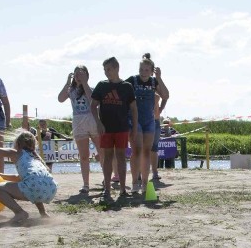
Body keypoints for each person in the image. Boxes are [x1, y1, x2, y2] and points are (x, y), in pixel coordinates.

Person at [0, 131, 57, 224]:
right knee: (34, 183)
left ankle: (20, 212)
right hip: (51, 189)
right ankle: (43, 213)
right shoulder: (35, 157)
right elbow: (21, 178)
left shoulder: (16, 153)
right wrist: (1, 175)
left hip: (34, 186)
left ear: (18, 144)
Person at [90, 57, 138, 199]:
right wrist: (98, 122)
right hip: (106, 128)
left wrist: (134, 128)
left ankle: (123, 189)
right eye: (104, 70)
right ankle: (107, 189)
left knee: (121, 157)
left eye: (109, 69)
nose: (106, 72)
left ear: (117, 68)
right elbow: (93, 106)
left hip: (122, 128)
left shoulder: (127, 86)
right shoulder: (101, 85)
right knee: (108, 157)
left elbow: (134, 109)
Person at [125, 53, 169, 195]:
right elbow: (121, 92)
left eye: (147, 70)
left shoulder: (153, 82)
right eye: (142, 69)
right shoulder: (132, 80)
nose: (144, 72)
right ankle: (134, 183)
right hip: (135, 120)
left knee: (146, 152)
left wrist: (159, 78)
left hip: (149, 121)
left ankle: (145, 183)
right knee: (136, 151)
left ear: (151, 71)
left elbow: (166, 95)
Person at [58, 65, 98, 193]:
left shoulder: (91, 88)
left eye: (81, 74)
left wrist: (84, 82)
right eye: (76, 74)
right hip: (78, 122)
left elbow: (92, 99)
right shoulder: (71, 90)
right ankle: (86, 184)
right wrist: (68, 82)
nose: (78, 76)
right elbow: (60, 98)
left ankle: (107, 180)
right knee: (84, 155)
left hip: (92, 120)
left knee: (102, 152)